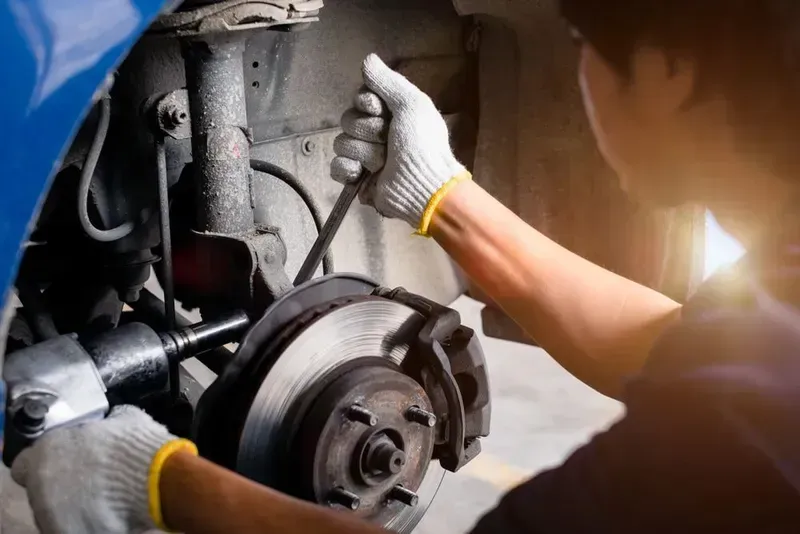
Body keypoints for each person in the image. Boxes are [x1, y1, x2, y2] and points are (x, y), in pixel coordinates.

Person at [12, 0, 800, 532]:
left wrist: (157, 482)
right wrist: (443, 196)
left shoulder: (724, 442)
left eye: (580, 47)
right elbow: (687, 351)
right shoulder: (772, 333)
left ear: (669, 69)